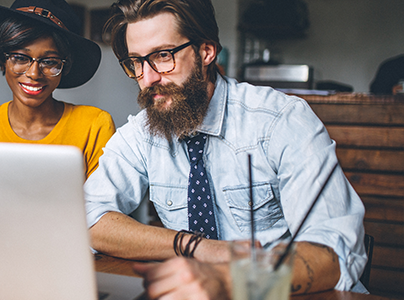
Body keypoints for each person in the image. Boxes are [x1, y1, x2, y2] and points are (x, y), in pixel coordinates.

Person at [84, 0, 367, 297]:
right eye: (137, 62)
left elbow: (333, 253)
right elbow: (89, 216)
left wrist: (231, 279)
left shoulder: (281, 121)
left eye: (163, 56)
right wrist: (196, 247)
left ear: (206, 51)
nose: (149, 78)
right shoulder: (142, 133)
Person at [0, 0, 116, 178]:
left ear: (64, 67)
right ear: (2, 59)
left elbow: (105, 204)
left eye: (49, 62)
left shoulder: (94, 126)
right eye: (20, 57)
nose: (34, 73)